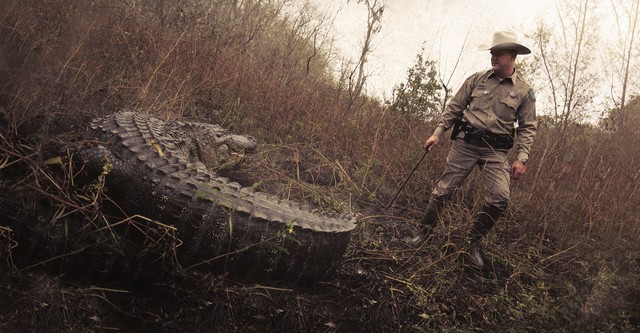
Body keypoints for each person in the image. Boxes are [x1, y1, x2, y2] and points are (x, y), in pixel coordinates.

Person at [407, 31, 537, 269]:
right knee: (443, 191)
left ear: (513, 55)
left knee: (499, 199)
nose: (493, 56)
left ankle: (471, 244)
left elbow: (528, 128)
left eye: (498, 52)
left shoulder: (524, 92)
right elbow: (453, 108)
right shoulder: (476, 80)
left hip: (495, 152)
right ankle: (422, 235)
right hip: (465, 145)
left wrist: (521, 158)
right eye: (492, 52)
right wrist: (437, 133)